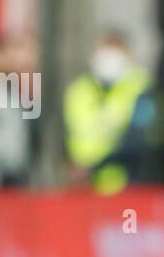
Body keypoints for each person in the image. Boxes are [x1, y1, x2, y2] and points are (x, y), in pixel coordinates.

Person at [63, 30, 158, 193]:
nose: (108, 60)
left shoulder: (141, 87)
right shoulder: (79, 90)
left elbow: (142, 137)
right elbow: (68, 134)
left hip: (129, 183)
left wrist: (102, 162)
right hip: (86, 186)